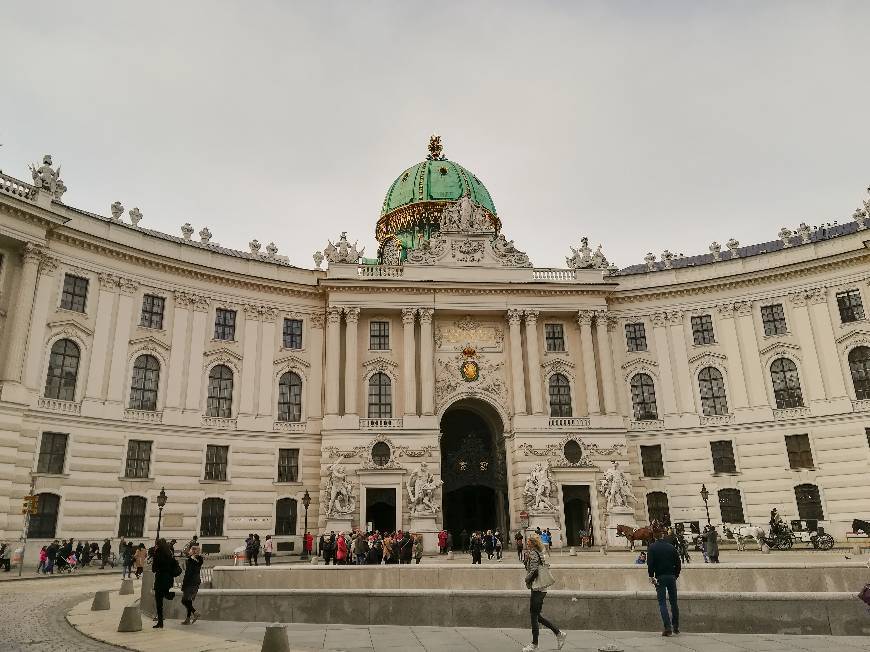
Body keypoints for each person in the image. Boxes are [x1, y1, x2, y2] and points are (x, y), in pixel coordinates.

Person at [523, 534, 567, 652]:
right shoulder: (539, 553)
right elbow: (535, 567)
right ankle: (558, 633)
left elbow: (533, 570)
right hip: (542, 587)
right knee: (537, 616)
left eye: (528, 542)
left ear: (533, 543)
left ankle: (535, 644)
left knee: (534, 616)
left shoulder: (533, 553)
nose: (527, 544)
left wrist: (527, 580)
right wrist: (526, 559)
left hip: (537, 587)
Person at [647, 529, 681, 636]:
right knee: (674, 602)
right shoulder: (671, 547)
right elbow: (678, 563)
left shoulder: (652, 547)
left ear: (654, 537)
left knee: (662, 603)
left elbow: (650, 564)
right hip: (671, 576)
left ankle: (667, 628)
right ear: (662, 536)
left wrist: (651, 576)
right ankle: (676, 627)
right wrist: (675, 575)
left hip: (660, 578)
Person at [151, 538, 177, 629]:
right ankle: (170, 595)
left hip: (160, 579)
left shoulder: (157, 553)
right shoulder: (169, 553)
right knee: (166, 594)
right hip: (169, 579)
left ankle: (160, 622)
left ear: (158, 545)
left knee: (159, 602)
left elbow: (154, 569)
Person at [181, 544, 204, 625]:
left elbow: (193, 570)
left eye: (190, 550)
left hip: (192, 582)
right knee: (188, 600)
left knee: (184, 600)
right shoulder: (191, 559)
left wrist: (192, 558)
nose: (189, 551)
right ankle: (188, 619)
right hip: (191, 582)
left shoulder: (197, 559)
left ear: (193, 551)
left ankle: (195, 612)